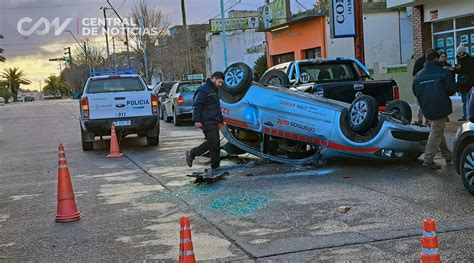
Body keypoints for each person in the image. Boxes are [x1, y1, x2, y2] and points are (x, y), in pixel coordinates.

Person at [413, 50, 457, 170]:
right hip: (440, 105)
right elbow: (451, 89)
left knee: (437, 129)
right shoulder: (442, 72)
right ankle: (428, 159)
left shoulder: (419, 75)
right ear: (436, 59)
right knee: (436, 131)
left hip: (427, 106)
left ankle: (448, 156)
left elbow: (416, 92)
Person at [185, 72, 225, 170]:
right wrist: (197, 120)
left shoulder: (214, 90)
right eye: (219, 82)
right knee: (212, 142)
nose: (220, 84)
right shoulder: (204, 89)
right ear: (214, 79)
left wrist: (221, 120)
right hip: (206, 120)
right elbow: (197, 105)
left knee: (216, 145)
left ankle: (215, 167)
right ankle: (192, 153)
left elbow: (216, 107)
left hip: (214, 121)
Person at [413, 48, 436, 125]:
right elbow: (414, 73)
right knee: (423, 104)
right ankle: (423, 119)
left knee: (424, 104)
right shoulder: (421, 62)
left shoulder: (423, 61)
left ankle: (425, 120)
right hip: (423, 85)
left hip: (424, 85)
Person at [453, 45, 474, 121]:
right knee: (464, 101)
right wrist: (454, 69)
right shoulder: (459, 59)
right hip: (462, 83)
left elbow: (470, 69)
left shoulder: (471, 59)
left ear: (464, 52)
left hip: (469, 82)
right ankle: (465, 116)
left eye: (460, 53)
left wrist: (461, 67)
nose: (458, 55)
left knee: (470, 101)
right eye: (458, 53)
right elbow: (459, 71)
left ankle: (470, 116)